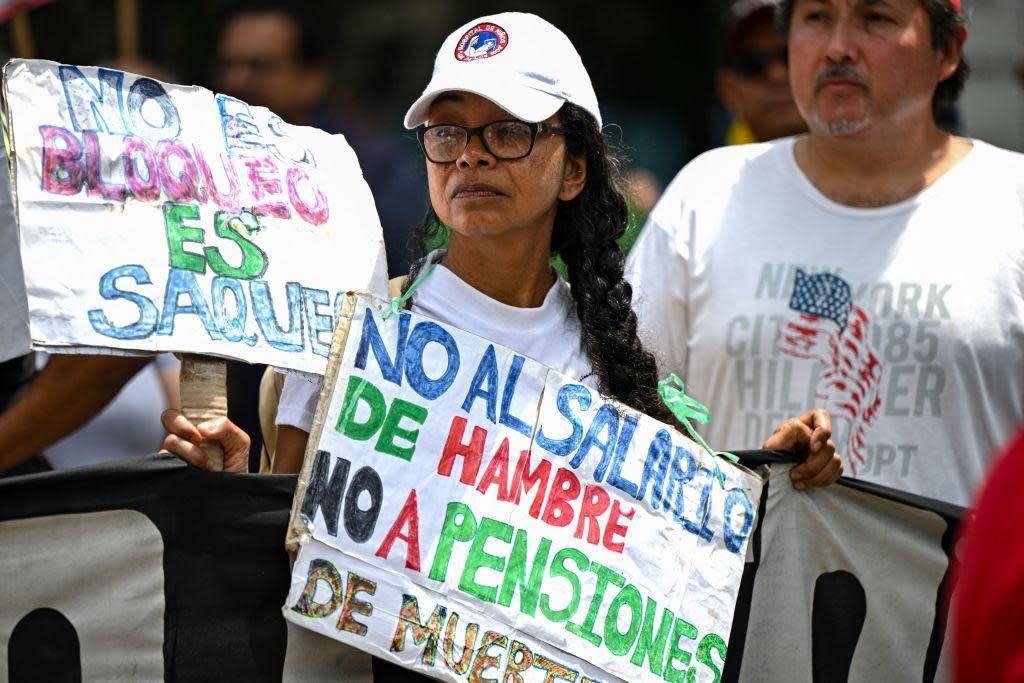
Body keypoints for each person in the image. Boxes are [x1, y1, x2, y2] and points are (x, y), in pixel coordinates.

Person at [162, 11, 840, 495]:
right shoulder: (348, 335)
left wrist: (763, 477)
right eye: (448, 131)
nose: (472, 154)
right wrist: (230, 495)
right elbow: (287, 549)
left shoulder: (623, 375)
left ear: (573, 170)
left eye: (508, 131)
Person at [625, 0, 1024, 506]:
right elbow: (621, 423)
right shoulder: (705, 197)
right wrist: (745, 477)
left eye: (876, 18)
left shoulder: (1012, 205)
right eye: (816, 18)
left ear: (946, 50)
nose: (838, 47)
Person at [716, 0, 807, 144]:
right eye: (753, 63)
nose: (777, 75)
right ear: (729, 91)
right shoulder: (711, 166)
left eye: (789, 55)